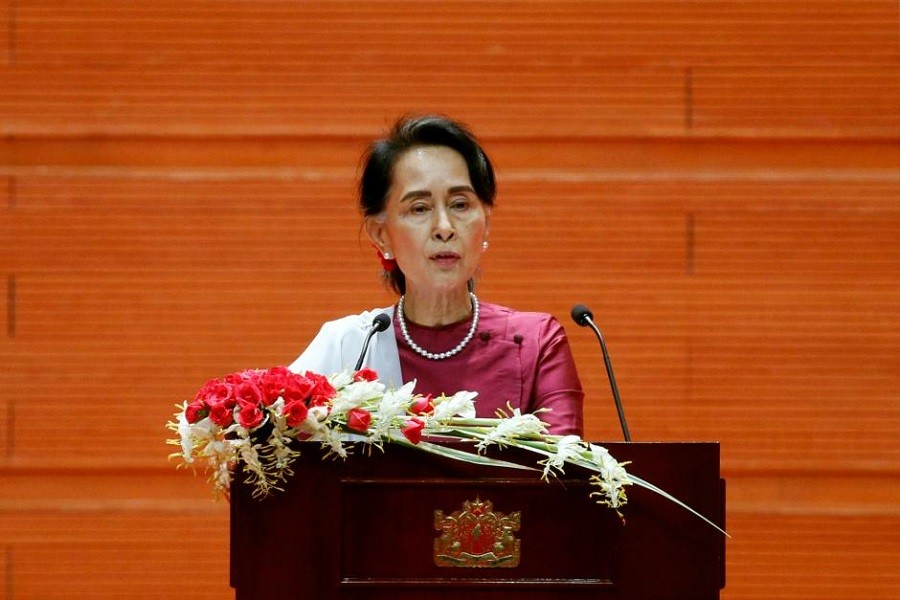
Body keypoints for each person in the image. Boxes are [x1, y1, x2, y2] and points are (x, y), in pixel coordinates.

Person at [289, 114, 584, 435]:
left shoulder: (534, 343)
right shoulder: (351, 347)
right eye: (419, 208)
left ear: (485, 221)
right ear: (381, 235)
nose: (444, 228)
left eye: (460, 204)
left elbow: (564, 476)